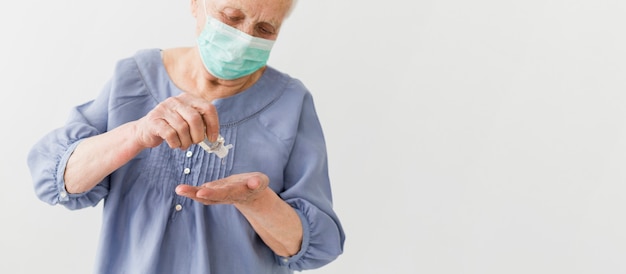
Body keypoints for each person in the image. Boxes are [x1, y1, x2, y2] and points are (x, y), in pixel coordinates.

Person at [26, 0, 345, 272]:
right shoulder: (134, 77)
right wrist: (137, 134)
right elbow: (55, 179)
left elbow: (314, 247)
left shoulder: (290, 103)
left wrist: (256, 201)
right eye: (231, 17)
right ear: (196, 4)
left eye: (264, 30)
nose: (244, 39)